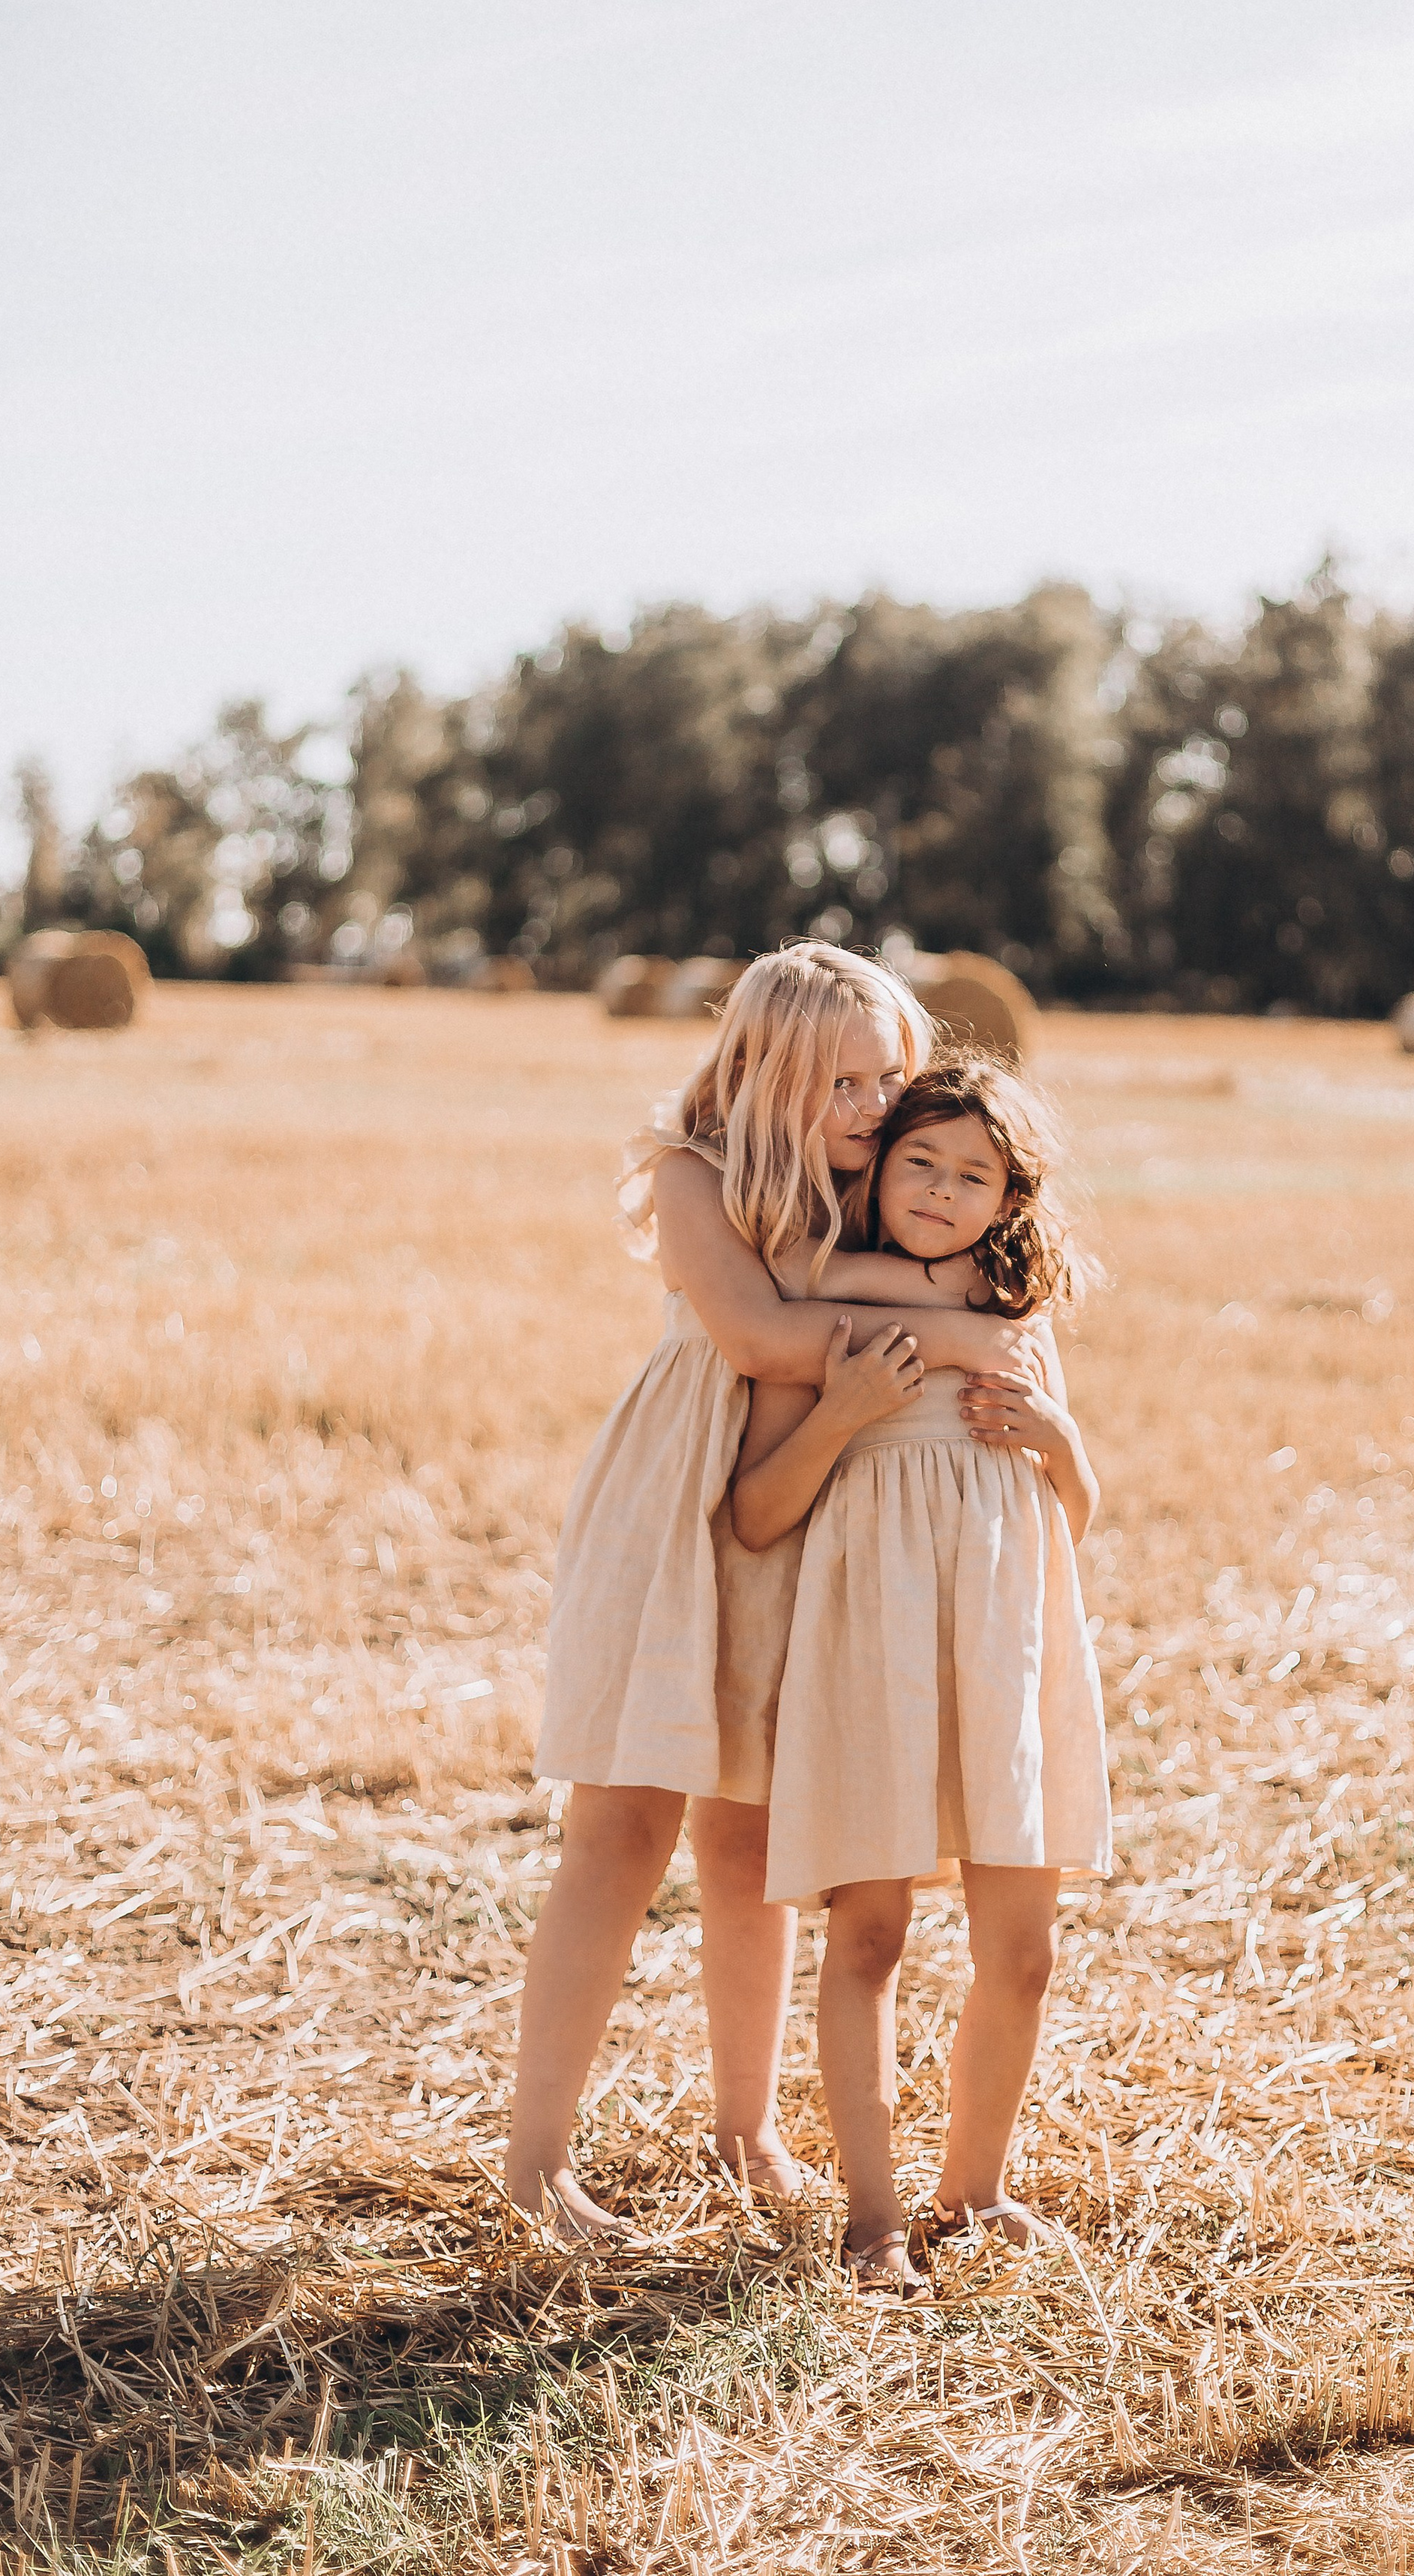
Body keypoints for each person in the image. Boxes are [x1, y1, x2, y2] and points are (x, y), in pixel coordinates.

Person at [503, 947, 1046, 2242]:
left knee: (750, 1838)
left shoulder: (883, 1183)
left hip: (816, 1508)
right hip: (683, 1499)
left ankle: (745, 2130)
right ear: (762, 1073)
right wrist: (967, 1334)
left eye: (889, 1077)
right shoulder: (692, 1173)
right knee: (621, 1827)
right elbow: (756, 1337)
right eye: (840, 1082)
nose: (874, 1105)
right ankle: (534, 2163)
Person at [731, 1055, 1111, 2295]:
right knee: (871, 1933)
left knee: (1024, 1951)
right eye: (920, 1164)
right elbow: (756, 1512)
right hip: (873, 1651)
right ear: (879, 1169)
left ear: (1011, 1199)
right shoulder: (822, 1305)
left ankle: (976, 2189)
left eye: (973, 1176)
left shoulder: (1022, 1323)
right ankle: (873, 2218)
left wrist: (1061, 1441)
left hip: (1004, 1648)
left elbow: (1072, 1517)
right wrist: (843, 1409)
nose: (942, 1193)